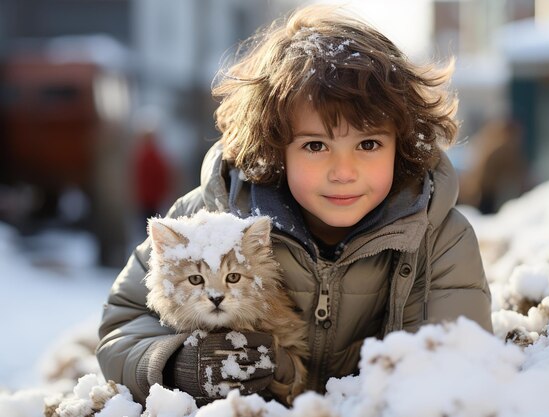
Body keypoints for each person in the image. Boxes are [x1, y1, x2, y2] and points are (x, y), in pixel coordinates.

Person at [96, 4, 493, 407]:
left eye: (368, 144)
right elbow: (124, 325)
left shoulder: (439, 236)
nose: (343, 171)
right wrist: (174, 364)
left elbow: (455, 367)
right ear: (276, 148)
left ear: (401, 146)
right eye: (316, 145)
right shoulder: (207, 222)